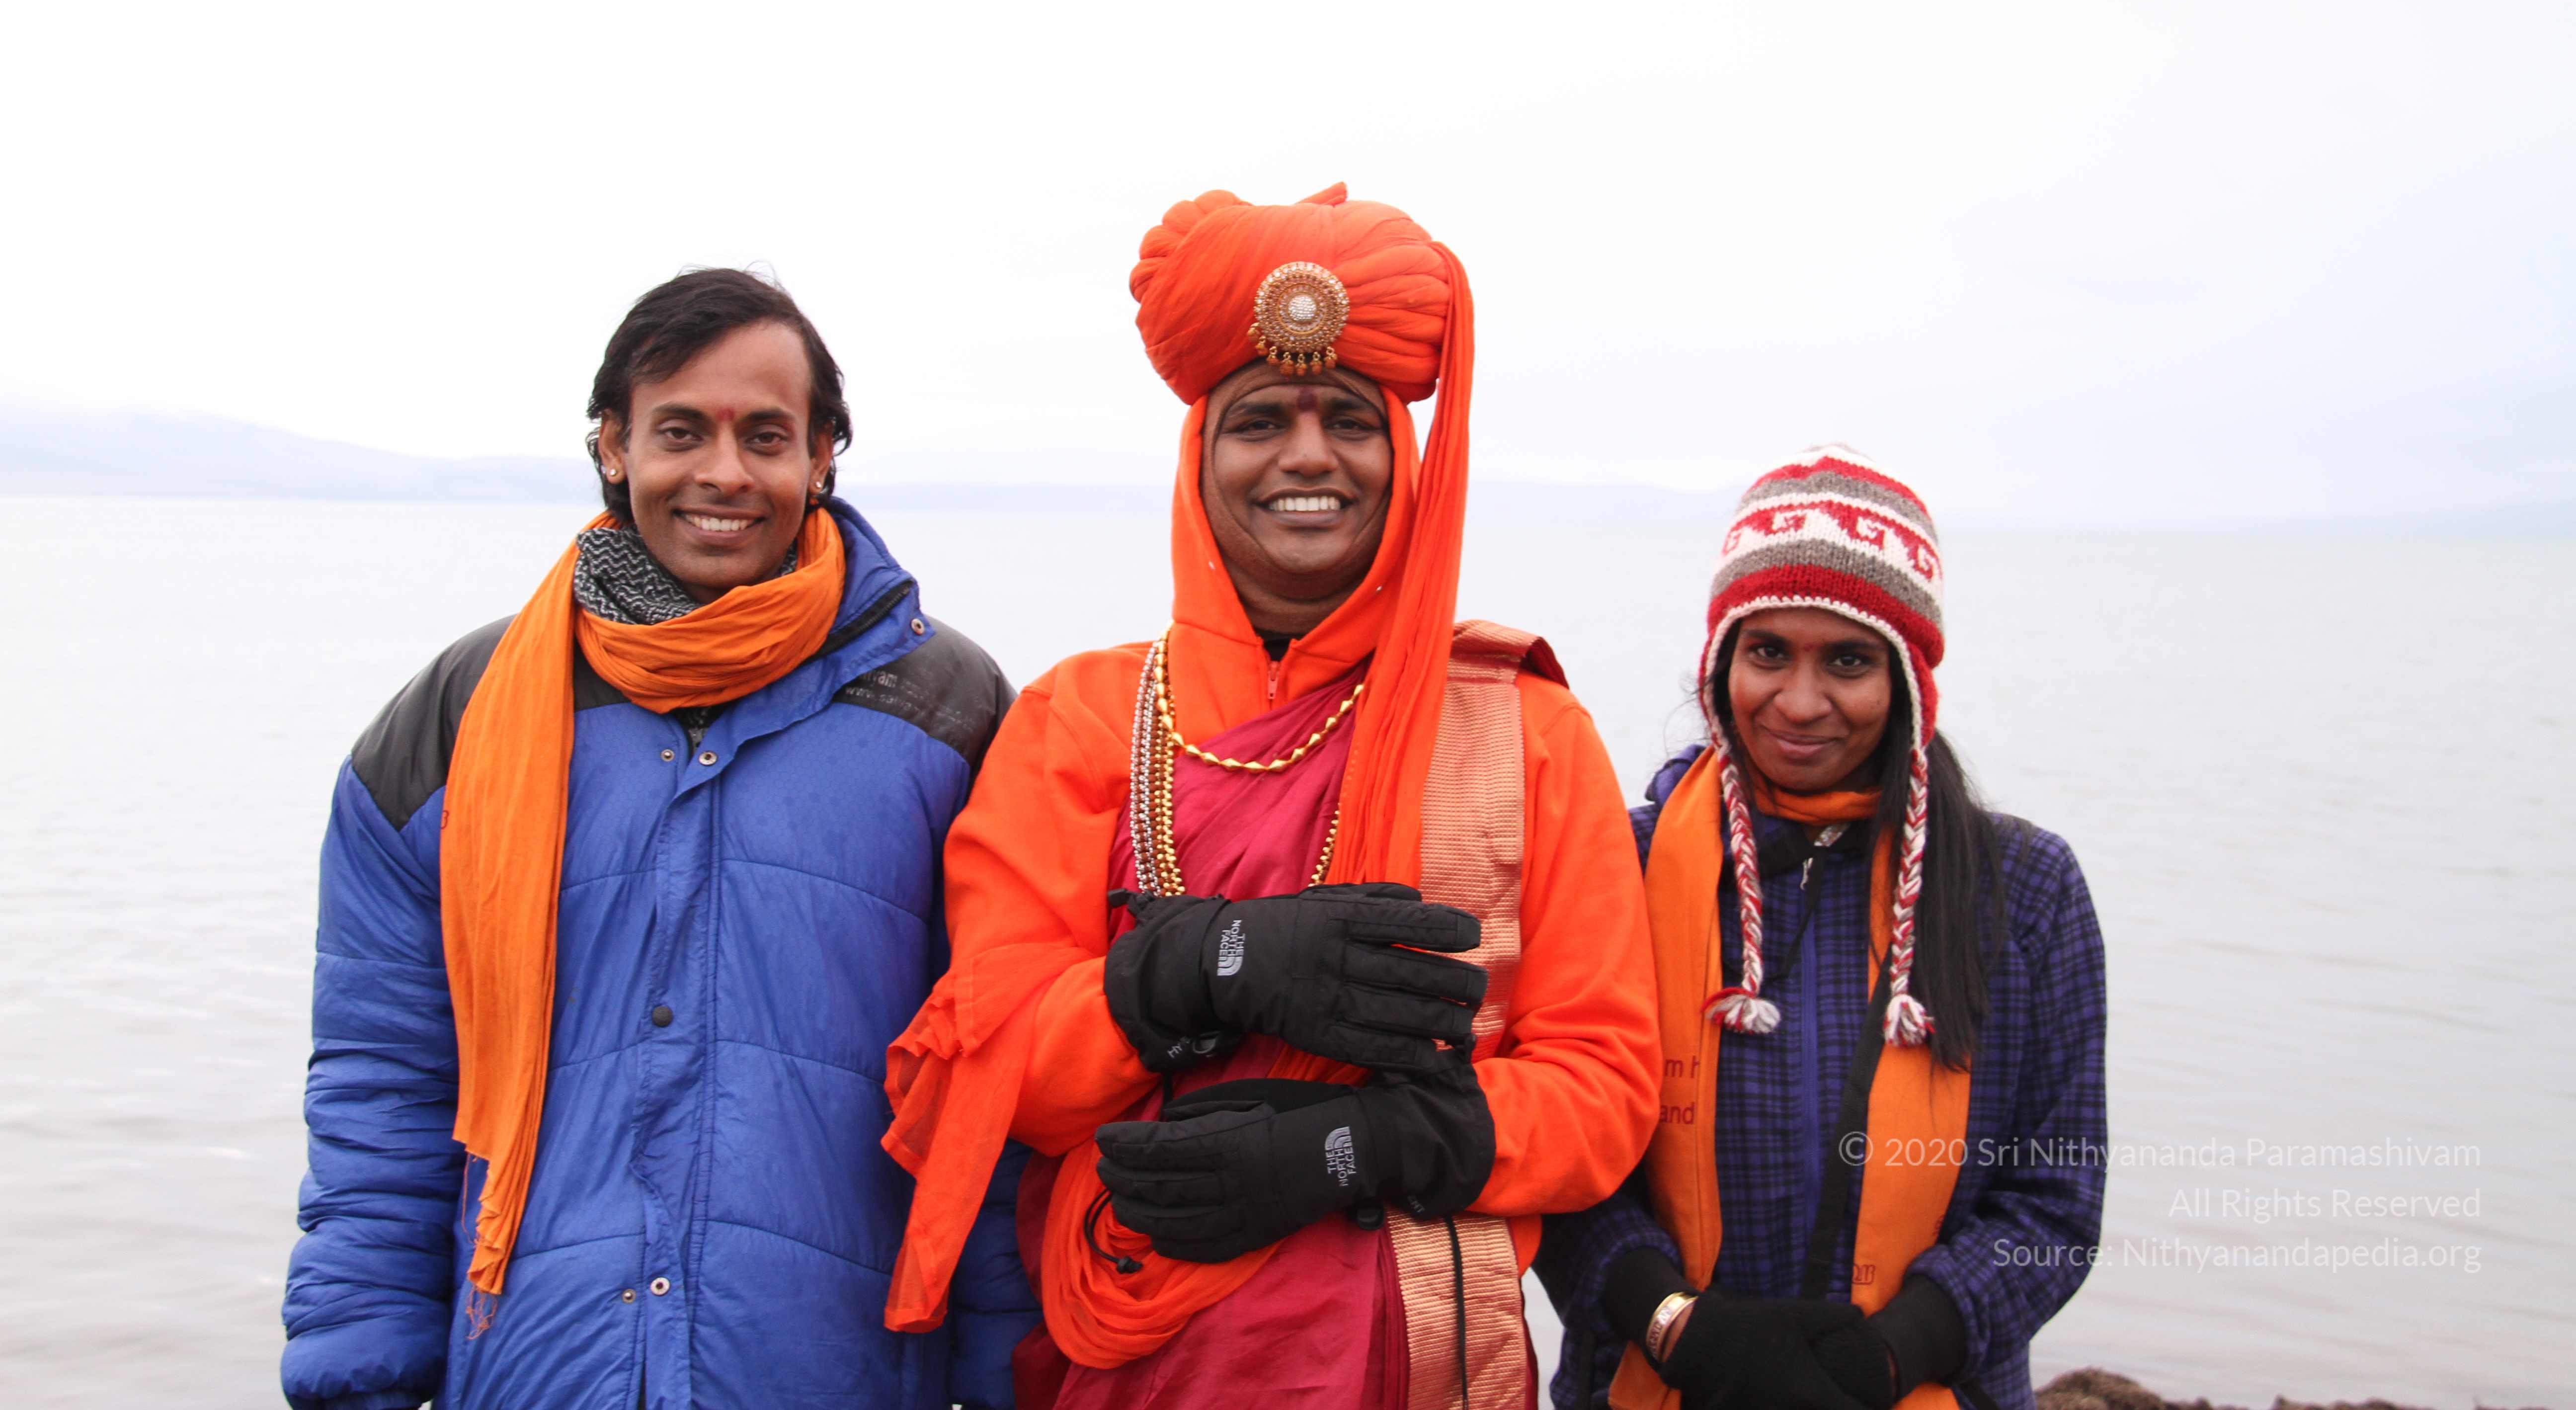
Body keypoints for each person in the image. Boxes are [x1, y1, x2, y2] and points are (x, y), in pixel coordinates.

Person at [879, 184, 1661, 1408]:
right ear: (1199, 459)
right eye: (1260, 421)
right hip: (1130, 1359)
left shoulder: (1528, 731)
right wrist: (1194, 972)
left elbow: (1605, 1092)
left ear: (1403, 461)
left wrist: (1356, 1148)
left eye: (1349, 419)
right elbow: (998, 1068)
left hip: (1423, 1368)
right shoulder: (1080, 718)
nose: (1307, 457)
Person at [280, 269, 1035, 1410]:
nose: (724, 472)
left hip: (831, 1370)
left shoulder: (947, 713)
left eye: (765, 435)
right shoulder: (458, 723)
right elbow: (383, 1084)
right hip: (538, 1367)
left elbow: (999, 1092)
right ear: (613, 445)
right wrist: (358, 1378)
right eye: (681, 431)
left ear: (822, 456)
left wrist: (1017, 1374)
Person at [1536, 447, 2107, 1410]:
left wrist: (1894, 1353)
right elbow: (1558, 1145)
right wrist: (1673, 1321)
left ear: (1908, 680)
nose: (1799, 704)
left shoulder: (2026, 890)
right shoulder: (1617, 868)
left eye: (1848, 660)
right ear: (1721, 661)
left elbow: (2056, 1202)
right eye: (1768, 652)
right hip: (1658, 1378)